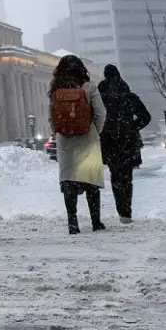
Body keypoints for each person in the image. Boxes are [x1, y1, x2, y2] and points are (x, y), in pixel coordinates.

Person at [50, 55, 107, 235]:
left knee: (69, 182)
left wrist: (61, 130)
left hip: (66, 141)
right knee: (90, 181)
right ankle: (96, 221)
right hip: (87, 139)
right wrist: (93, 131)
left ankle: (72, 222)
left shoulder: (56, 90)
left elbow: (51, 118)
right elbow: (100, 113)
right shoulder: (90, 88)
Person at [97, 64, 152, 222]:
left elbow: (94, 120)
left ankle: (121, 209)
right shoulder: (129, 97)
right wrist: (132, 127)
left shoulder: (101, 99)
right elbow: (146, 117)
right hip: (128, 143)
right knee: (127, 178)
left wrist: (103, 131)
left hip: (109, 142)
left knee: (115, 176)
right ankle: (126, 211)